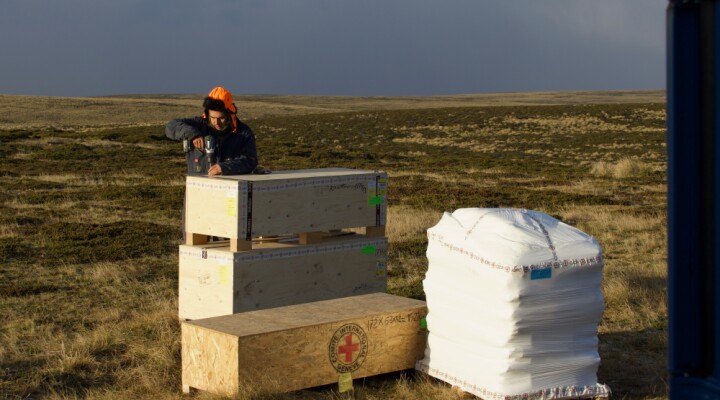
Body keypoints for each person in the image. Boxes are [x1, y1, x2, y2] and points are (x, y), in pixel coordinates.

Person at [166, 86, 258, 176]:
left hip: (226, 189)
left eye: (221, 118)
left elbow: (250, 161)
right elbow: (171, 126)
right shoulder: (198, 125)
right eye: (212, 117)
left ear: (230, 115)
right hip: (197, 188)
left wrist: (224, 168)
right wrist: (193, 134)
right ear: (207, 113)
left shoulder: (243, 133)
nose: (216, 122)